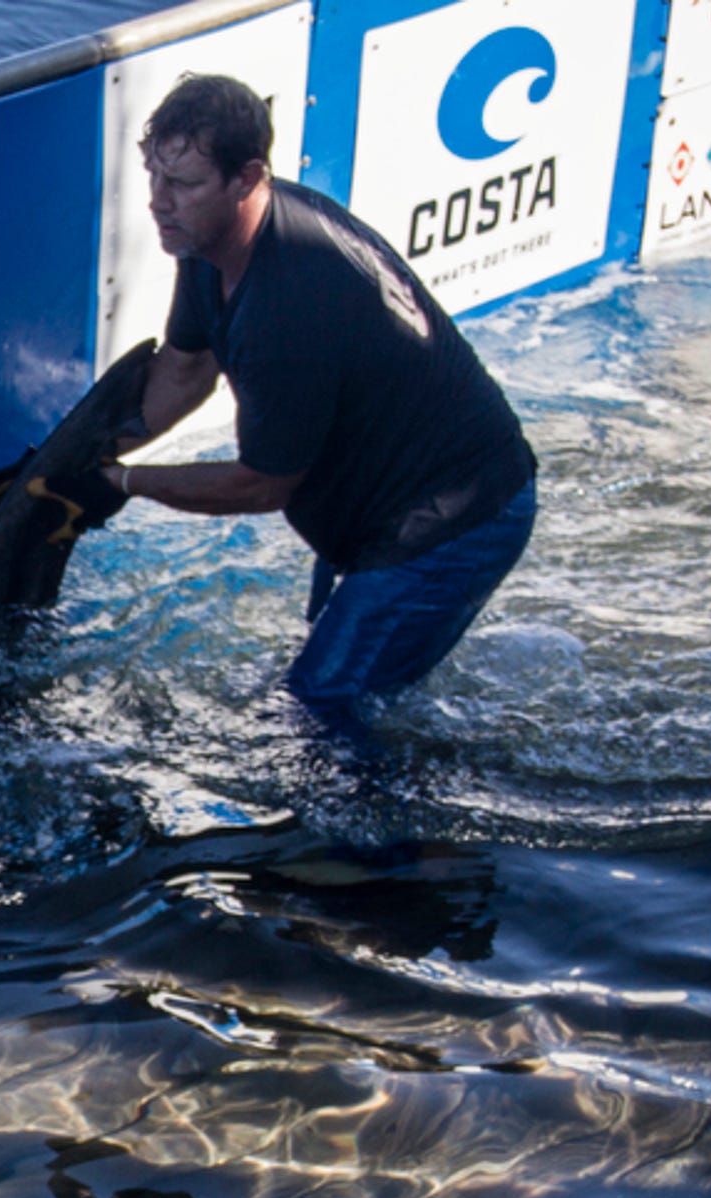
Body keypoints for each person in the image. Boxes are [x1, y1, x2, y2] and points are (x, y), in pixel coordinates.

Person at [102, 74, 537, 727]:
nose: (160, 203)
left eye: (185, 185)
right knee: (336, 690)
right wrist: (76, 461)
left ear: (247, 179)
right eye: (154, 178)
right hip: (375, 508)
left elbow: (260, 486)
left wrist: (126, 482)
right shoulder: (206, 240)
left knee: (319, 713)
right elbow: (186, 371)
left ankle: (411, 831)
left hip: (456, 515)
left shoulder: (293, 299)